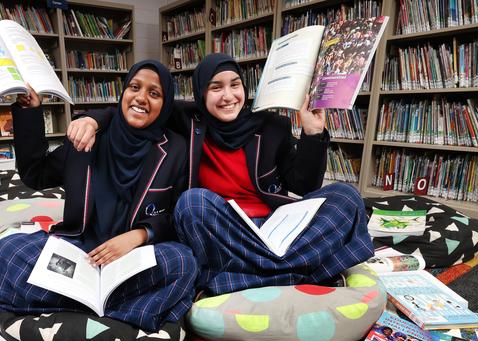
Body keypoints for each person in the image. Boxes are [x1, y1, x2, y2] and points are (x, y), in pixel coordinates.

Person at [71, 53, 373, 297]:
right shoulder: (188, 121)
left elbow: (305, 186)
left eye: (235, 85)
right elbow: (138, 107)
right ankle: (303, 271)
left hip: (273, 227)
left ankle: (244, 276)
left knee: (345, 196)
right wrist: (92, 119)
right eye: (216, 87)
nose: (228, 96)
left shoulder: (271, 126)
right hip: (222, 227)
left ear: (245, 88)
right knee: (191, 204)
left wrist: (312, 132)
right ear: (202, 93)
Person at [0, 60, 197, 332]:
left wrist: (139, 235)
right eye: (134, 87)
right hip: (79, 252)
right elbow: (35, 175)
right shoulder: (85, 137)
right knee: (7, 251)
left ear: (165, 104)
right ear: (123, 93)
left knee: (183, 262)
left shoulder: (176, 149)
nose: (141, 97)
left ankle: (77, 304)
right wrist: (31, 111)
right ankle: (121, 310)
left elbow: (176, 215)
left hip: (134, 258)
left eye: (154, 93)